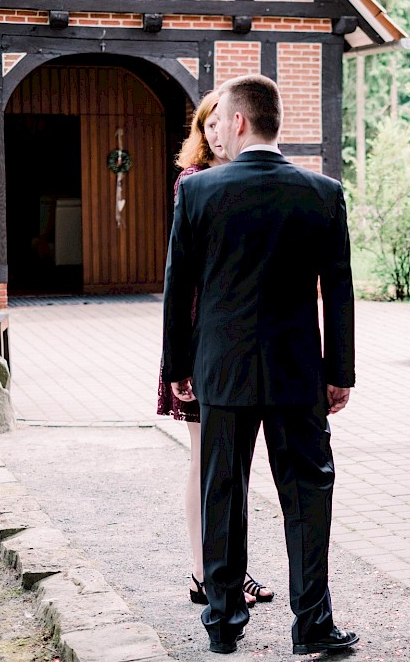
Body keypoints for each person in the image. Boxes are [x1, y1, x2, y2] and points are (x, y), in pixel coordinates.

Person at [162, 74, 357, 655]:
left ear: (241, 123)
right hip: (298, 371)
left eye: (221, 118)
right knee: (307, 494)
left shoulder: (199, 193)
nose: (216, 127)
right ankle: (313, 624)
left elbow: (179, 289)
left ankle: (224, 623)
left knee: (223, 491)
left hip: (221, 369)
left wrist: (178, 364)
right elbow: (339, 290)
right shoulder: (322, 192)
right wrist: (339, 373)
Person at [157, 91, 273, 609]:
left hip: (243, 342)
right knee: (207, 460)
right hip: (204, 341)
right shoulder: (194, 184)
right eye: (207, 127)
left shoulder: (255, 181)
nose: (215, 134)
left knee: (231, 465)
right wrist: (178, 356)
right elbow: (180, 278)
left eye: (220, 124)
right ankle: (206, 572)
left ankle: (228, 568)